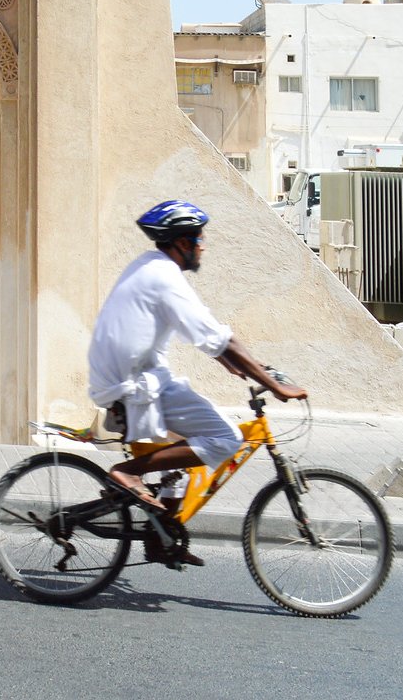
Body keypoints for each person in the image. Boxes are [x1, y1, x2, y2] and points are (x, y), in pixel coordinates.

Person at [87, 200, 308, 564]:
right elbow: (219, 338)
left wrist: (239, 366)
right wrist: (274, 384)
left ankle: (162, 540)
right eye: (199, 238)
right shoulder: (165, 279)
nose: (203, 245)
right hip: (133, 384)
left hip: (134, 375)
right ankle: (125, 473)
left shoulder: (151, 267)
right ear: (181, 244)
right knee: (225, 440)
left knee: (182, 460)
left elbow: (205, 337)